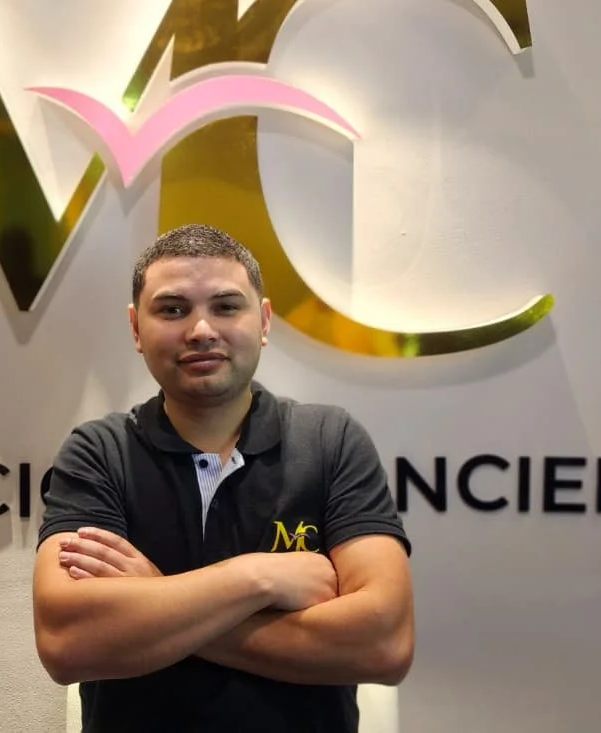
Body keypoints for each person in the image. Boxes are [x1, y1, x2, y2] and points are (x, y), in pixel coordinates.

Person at [32, 223, 414, 733]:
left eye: (226, 306)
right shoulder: (100, 452)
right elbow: (68, 642)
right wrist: (260, 578)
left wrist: (159, 597)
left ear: (263, 320)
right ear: (135, 329)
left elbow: (384, 643)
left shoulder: (329, 441)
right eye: (172, 309)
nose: (201, 330)